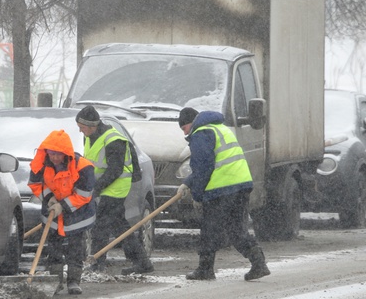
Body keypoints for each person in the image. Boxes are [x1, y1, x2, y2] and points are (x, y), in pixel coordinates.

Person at [176, 107, 270, 281]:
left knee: (209, 229)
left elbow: (204, 167)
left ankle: (205, 270)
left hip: (222, 189)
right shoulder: (219, 128)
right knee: (236, 230)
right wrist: (187, 183)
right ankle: (259, 263)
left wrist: (197, 195)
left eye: (184, 128)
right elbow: (212, 162)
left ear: (190, 123)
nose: (185, 133)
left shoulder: (201, 133)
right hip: (240, 185)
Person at [76, 105, 154, 276]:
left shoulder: (113, 140)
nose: (80, 131)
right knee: (120, 227)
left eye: (82, 128)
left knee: (101, 227)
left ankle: (97, 264)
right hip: (105, 187)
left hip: (116, 187)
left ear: (91, 126)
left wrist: (96, 188)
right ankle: (141, 261)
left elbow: (115, 170)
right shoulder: (89, 137)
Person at [28, 129, 96, 295]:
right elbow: (35, 183)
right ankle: (56, 280)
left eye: (58, 154)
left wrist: (63, 206)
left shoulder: (83, 167)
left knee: (75, 248)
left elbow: (84, 194)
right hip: (52, 212)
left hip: (77, 214)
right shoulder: (41, 164)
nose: (55, 157)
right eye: (51, 154)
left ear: (66, 153)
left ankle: (73, 281)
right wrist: (49, 198)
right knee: (54, 248)